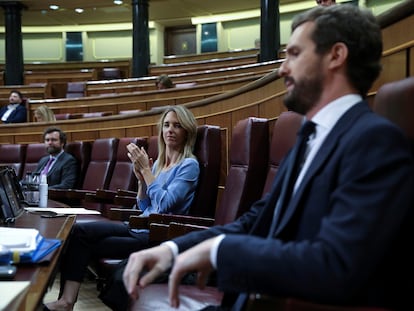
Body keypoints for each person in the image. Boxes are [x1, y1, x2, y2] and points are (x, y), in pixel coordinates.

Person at [118, 5, 414, 311]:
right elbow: (255, 221)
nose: (282, 68)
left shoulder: (374, 141)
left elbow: (337, 264)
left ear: (336, 56)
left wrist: (221, 250)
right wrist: (172, 249)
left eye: (295, 54)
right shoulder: (308, 139)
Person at [44, 105, 200, 311]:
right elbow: (143, 205)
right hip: (138, 225)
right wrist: (141, 180)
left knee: (83, 245)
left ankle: (65, 303)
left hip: (157, 235)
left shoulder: (189, 165)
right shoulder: (159, 164)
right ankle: (66, 301)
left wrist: (145, 170)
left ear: (186, 131)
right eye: (166, 125)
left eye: (177, 126)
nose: (170, 130)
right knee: (76, 230)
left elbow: (164, 206)